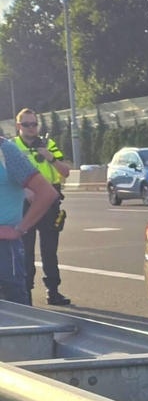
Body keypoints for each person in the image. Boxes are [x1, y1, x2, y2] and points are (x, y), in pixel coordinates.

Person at [12, 108, 71, 305]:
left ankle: (53, 291)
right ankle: (26, 293)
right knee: (25, 251)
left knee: (49, 250)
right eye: (27, 124)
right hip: (24, 204)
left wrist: (50, 157)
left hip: (49, 204)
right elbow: (6, 176)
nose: (31, 128)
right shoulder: (11, 147)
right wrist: (24, 190)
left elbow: (65, 172)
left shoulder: (48, 145)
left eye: (34, 124)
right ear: (19, 126)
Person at [0, 137, 59, 305]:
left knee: (15, 316)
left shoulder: (7, 151)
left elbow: (47, 192)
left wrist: (19, 229)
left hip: (4, 248)